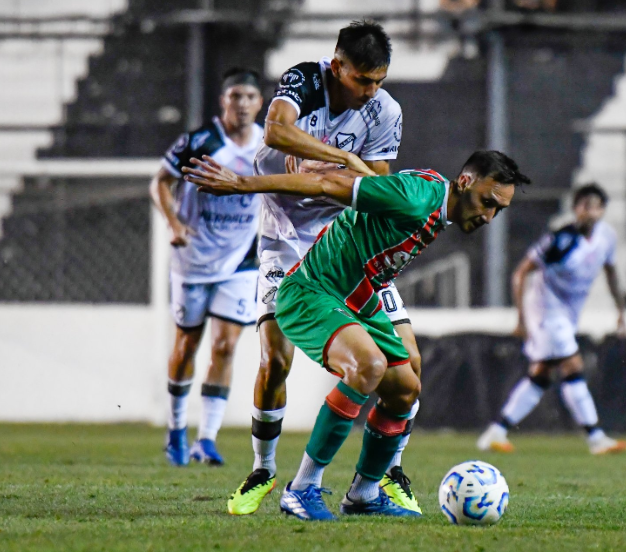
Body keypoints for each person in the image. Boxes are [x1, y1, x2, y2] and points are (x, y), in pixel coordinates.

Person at [183, 149, 531, 519]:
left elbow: (380, 189)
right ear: (465, 182)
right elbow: (324, 184)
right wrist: (241, 184)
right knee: (367, 366)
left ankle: (364, 494)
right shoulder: (418, 198)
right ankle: (301, 489)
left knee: (405, 388)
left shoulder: (434, 198)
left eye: (498, 210)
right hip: (312, 290)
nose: (489, 216)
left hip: (359, 297)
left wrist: (357, 165)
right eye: (487, 202)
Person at [228, 21, 424, 515]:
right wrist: (338, 158)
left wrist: (327, 174)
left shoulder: (386, 110)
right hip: (283, 238)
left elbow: (376, 184)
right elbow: (276, 130)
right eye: (363, 80)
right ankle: (263, 469)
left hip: (343, 244)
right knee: (276, 359)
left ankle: (386, 473)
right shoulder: (303, 82)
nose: (371, 91)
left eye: (379, 80)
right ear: (338, 67)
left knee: (409, 366)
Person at [149, 68, 264, 466]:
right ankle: (176, 430)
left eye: (250, 96)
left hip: (242, 260)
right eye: (235, 96)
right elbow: (159, 183)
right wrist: (174, 223)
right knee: (187, 347)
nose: (243, 104)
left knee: (225, 345)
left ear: (260, 102)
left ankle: (207, 439)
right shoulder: (201, 142)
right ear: (223, 101)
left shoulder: (269, 145)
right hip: (194, 258)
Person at [477, 183, 626, 455]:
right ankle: (596, 438)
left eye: (596, 206)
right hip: (545, 308)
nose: (590, 211)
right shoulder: (560, 240)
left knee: (541, 374)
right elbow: (520, 273)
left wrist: (621, 311)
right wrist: (521, 318)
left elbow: (611, 272)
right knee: (572, 364)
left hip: (569, 313)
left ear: (603, 210)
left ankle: (496, 432)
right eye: (585, 205)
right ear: (575, 209)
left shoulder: (606, 237)